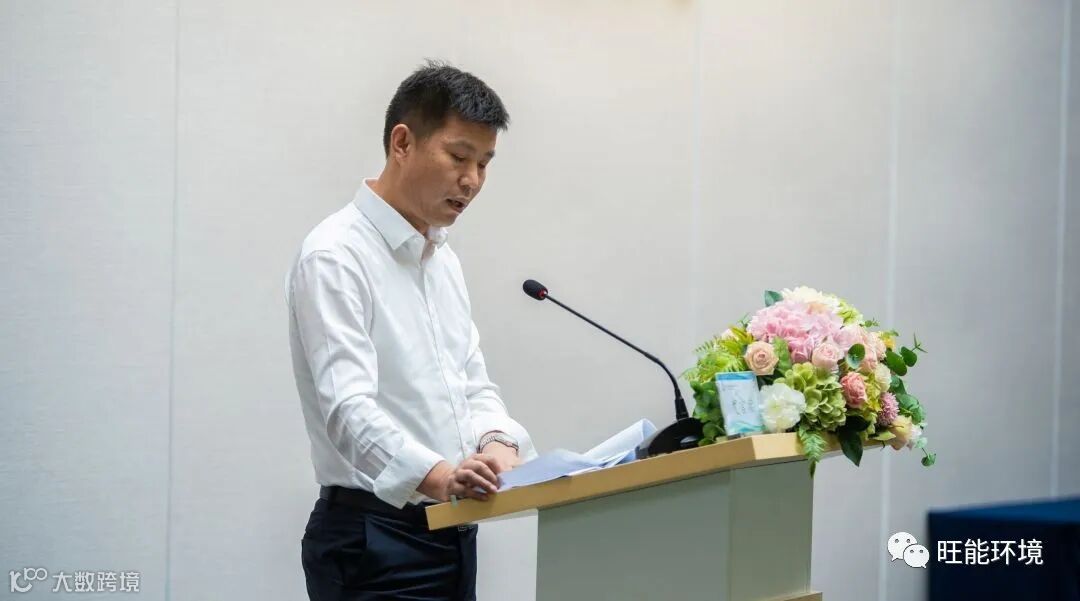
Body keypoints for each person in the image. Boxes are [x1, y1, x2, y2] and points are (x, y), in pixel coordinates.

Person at [285, 60, 536, 600]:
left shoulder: (441, 261)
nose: (472, 180)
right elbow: (347, 410)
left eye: (484, 163)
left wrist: (497, 443)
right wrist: (440, 476)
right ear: (402, 143)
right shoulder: (335, 255)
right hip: (374, 539)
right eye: (459, 157)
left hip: (451, 532)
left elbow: (472, 385)